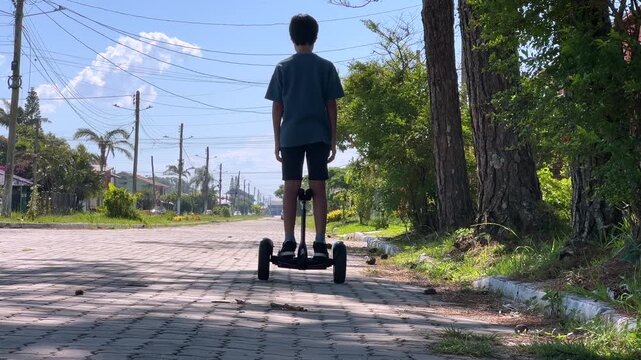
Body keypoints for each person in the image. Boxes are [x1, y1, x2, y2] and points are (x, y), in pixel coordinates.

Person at [265, 14, 344, 262]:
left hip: (291, 136)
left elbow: (277, 107)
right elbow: (332, 106)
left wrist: (277, 141)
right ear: (315, 36)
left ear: (292, 37)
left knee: (291, 187)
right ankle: (320, 243)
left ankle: (289, 241)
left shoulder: (283, 68)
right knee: (318, 187)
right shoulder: (326, 67)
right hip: (319, 135)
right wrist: (333, 140)